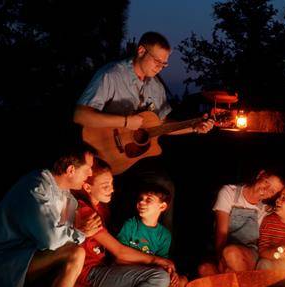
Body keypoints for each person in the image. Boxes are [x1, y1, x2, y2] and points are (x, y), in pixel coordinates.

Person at [73, 31, 214, 237]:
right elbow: (80, 115)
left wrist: (194, 127)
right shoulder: (111, 75)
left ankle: (159, 250)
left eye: (164, 64)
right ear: (140, 51)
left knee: (164, 187)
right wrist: (125, 122)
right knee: (115, 200)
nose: (160, 67)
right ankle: (113, 255)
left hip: (134, 160)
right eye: (157, 60)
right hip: (102, 155)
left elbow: (163, 124)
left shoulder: (156, 87)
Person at [0, 143, 105, 287]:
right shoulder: (35, 187)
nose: (91, 174)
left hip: (27, 267)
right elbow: (51, 241)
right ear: (70, 170)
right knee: (76, 253)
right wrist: (82, 232)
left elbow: (60, 243)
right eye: (88, 169)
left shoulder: (67, 197)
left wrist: (81, 230)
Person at [73, 157, 174, 287]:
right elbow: (119, 252)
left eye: (112, 184)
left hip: (103, 268)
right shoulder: (84, 211)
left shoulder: (101, 207)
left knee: (164, 277)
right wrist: (155, 260)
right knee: (158, 278)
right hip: (88, 273)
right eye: (105, 186)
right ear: (87, 187)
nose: (111, 190)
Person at [117, 184, 188, 287]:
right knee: (167, 278)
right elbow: (119, 257)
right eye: (140, 199)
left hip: (153, 274)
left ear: (162, 207)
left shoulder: (164, 235)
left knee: (180, 281)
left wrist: (171, 272)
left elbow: (163, 262)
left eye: (148, 200)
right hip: (128, 272)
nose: (141, 202)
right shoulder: (130, 225)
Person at [197, 169, 285, 277]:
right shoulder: (229, 193)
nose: (266, 190)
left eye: (272, 191)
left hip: (249, 254)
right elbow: (221, 232)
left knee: (231, 253)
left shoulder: (265, 210)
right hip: (221, 248)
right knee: (204, 269)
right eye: (266, 182)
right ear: (260, 174)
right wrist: (221, 260)